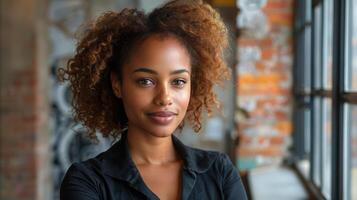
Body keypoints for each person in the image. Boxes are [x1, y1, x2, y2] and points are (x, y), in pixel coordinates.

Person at [59, 0, 248, 199]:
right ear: (117, 84)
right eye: (146, 81)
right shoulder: (88, 181)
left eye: (178, 81)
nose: (164, 97)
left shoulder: (219, 172)